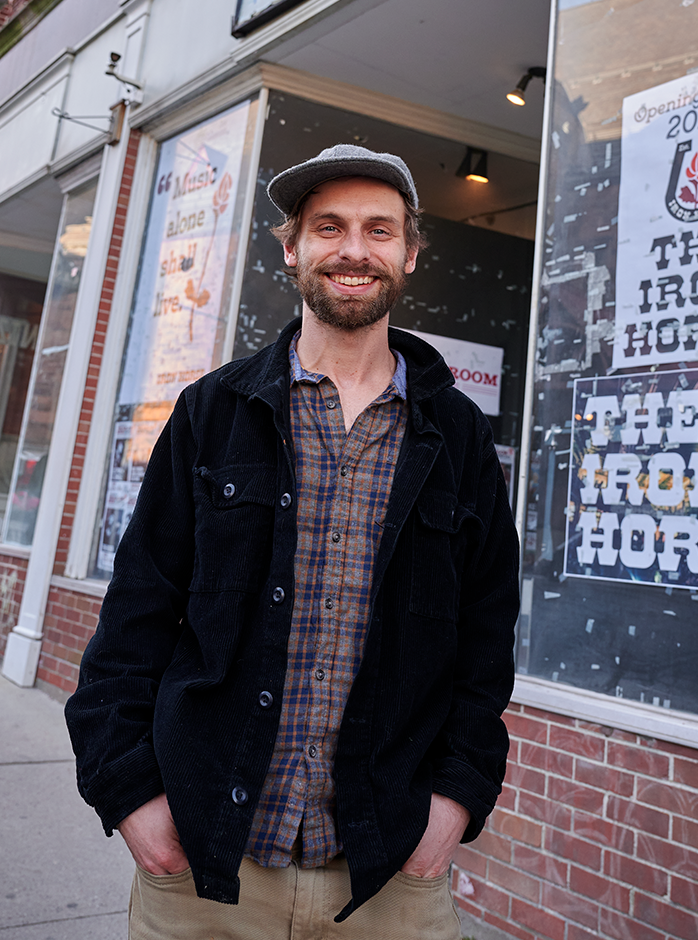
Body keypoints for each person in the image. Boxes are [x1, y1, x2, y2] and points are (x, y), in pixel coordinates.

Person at [64, 144, 520, 939]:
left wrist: (455, 803)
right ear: (292, 249)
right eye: (328, 227)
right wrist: (129, 796)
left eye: (379, 230)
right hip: (208, 867)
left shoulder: (457, 438)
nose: (353, 250)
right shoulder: (212, 413)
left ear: (409, 254)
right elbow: (135, 618)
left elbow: (485, 642)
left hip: (391, 875)